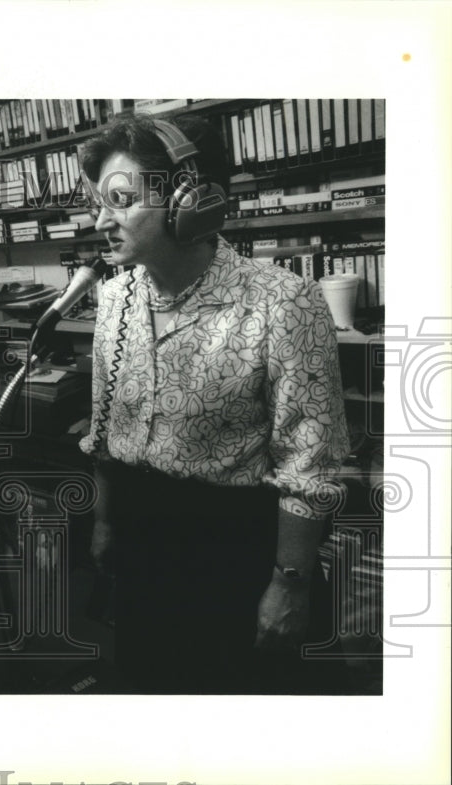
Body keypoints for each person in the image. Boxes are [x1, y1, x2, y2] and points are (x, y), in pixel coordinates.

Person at [79, 114, 350, 693]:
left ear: (191, 199)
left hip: (236, 549)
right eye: (98, 201)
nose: (100, 220)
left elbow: (310, 467)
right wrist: (104, 521)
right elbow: (107, 426)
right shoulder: (112, 300)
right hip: (142, 538)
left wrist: (290, 584)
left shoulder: (283, 302)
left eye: (120, 200)